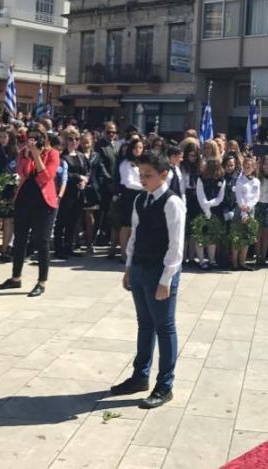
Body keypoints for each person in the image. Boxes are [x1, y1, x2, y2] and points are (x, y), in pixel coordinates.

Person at [110, 152, 186, 409]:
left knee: (164, 327)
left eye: (148, 175)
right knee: (144, 324)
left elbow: (176, 245)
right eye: (141, 175)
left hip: (160, 271)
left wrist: (166, 279)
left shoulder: (172, 202)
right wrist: (129, 267)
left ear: (163, 174)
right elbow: (135, 235)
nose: (143, 179)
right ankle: (140, 376)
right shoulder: (140, 199)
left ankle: (165, 385)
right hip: (140, 268)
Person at [0, 129, 60, 297]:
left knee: (42, 241)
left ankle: (41, 282)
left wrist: (37, 155)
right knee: (20, 240)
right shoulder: (23, 153)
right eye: (30, 138)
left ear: (43, 139)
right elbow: (23, 173)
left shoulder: (52, 154)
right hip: (24, 200)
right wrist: (29, 155)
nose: (32, 142)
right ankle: (16, 278)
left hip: (44, 203)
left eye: (36, 139)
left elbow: (45, 177)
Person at [54, 128, 90, 260]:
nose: (74, 141)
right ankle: (58, 248)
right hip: (65, 192)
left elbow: (87, 171)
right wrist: (78, 177)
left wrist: (84, 181)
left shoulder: (81, 156)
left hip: (78, 193)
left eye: (76, 139)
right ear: (65, 140)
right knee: (61, 221)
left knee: (73, 221)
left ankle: (69, 246)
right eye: (70, 139)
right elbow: (62, 173)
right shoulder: (61, 156)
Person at [0, 128, 18, 263]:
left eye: (5, 137)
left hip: (11, 189)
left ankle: (5, 249)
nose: (2, 139)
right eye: (0, 137)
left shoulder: (16, 152)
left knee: (8, 220)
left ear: (11, 137)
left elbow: (19, 169)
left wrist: (15, 178)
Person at [117, 137, 145, 262]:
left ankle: (133, 252)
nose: (138, 150)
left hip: (140, 195)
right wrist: (144, 187)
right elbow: (128, 183)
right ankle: (123, 253)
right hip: (128, 196)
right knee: (126, 225)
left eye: (140, 147)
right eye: (135, 148)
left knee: (137, 225)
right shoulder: (126, 163)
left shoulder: (141, 163)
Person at [196, 157, 226, 269]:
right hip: (202, 210)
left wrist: (210, 204)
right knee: (201, 235)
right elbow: (200, 195)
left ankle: (212, 260)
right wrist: (206, 209)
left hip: (215, 210)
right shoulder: (201, 178)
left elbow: (220, 197)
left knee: (212, 236)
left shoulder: (222, 179)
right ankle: (201, 261)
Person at [232, 155, 260, 271]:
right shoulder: (240, 180)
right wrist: (243, 211)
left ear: (253, 168)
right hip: (240, 209)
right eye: (245, 167)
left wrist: (249, 206)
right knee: (237, 236)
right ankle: (234, 262)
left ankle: (242, 262)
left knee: (247, 235)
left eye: (249, 167)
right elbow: (239, 196)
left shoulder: (256, 181)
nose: (246, 169)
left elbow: (256, 196)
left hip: (250, 209)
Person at [255, 155, 268, 267]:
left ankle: (263, 256)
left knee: (266, 233)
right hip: (258, 205)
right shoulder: (258, 177)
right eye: (265, 164)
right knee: (258, 233)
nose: (266, 166)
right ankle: (257, 256)